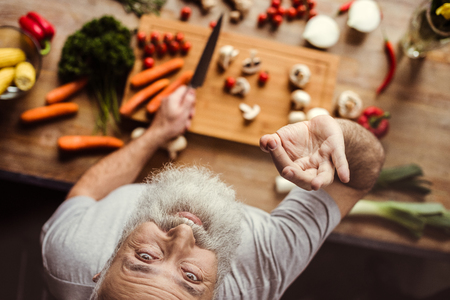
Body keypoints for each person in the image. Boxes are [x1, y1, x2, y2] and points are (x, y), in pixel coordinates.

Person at [41, 85, 385, 300]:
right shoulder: (258, 273)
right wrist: (337, 134)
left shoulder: (68, 253)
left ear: (100, 269)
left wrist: (157, 133)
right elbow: (358, 178)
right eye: (190, 277)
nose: (183, 233)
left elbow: (85, 194)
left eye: (144, 258)